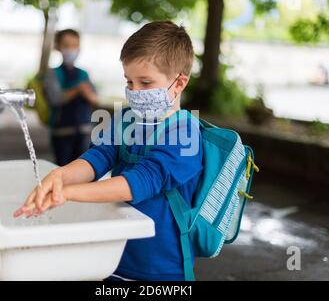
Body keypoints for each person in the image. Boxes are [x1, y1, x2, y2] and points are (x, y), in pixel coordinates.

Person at [14, 21, 203, 281]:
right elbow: (98, 157)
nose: (134, 91)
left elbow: (141, 181)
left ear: (179, 83)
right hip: (113, 257)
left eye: (145, 82)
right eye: (129, 81)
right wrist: (59, 177)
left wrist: (68, 193)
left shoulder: (185, 132)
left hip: (161, 268)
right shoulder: (126, 117)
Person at [44, 29, 98, 166]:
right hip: (61, 132)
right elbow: (54, 98)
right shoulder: (52, 73)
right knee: (62, 168)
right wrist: (78, 89)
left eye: (74, 45)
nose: (71, 50)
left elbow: (94, 98)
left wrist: (85, 92)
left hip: (84, 130)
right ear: (58, 47)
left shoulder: (83, 73)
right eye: (66, 45)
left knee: (83, 168)